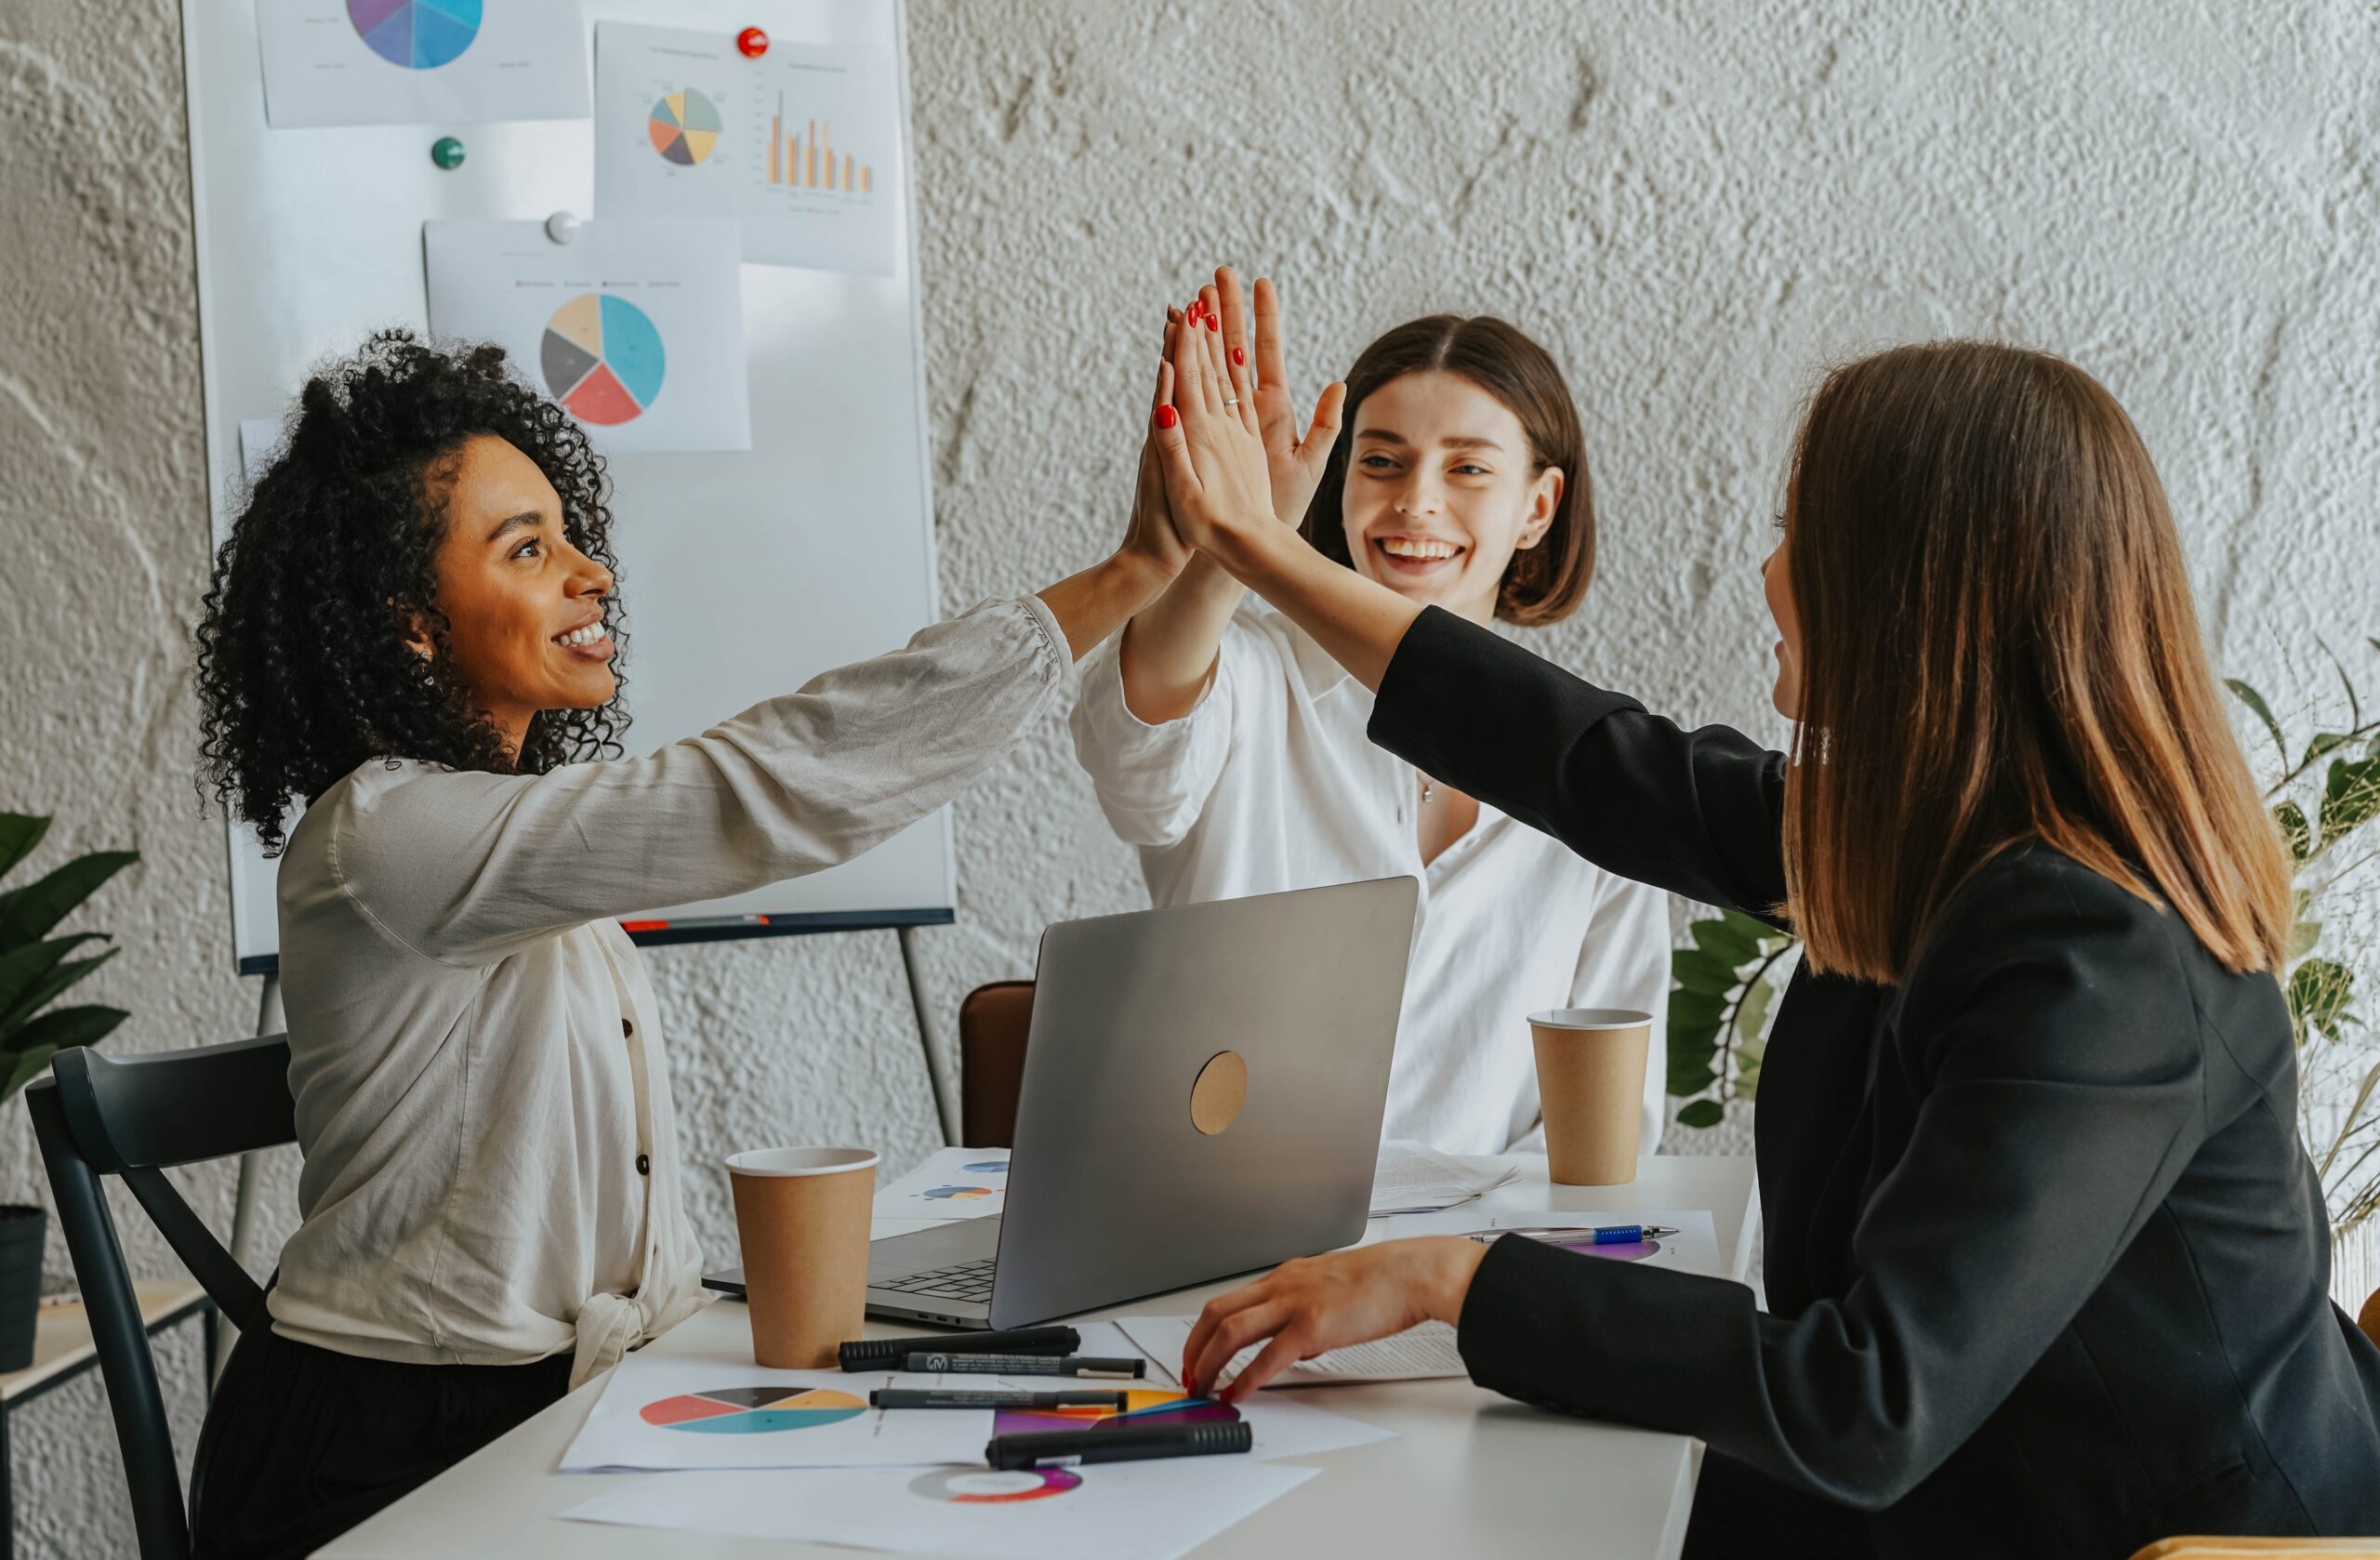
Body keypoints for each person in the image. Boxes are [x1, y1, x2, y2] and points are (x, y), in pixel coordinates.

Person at [1145, 316, 2380, 1556]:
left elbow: (1866, 1399)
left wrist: (1450, 1279)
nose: (1771, 572)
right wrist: (1257, 550)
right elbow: (1586, 758)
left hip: (2137, 1533)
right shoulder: (1933, 835)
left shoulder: (2102, 952)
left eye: (1802, 532)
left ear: (1913, 592)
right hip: (1979, 1476)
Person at [184, 330, 1191, 1559]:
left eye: (570, 532)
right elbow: (752, 790)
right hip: (387, 1452)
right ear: (409, 626)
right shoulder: (391, 835)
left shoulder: (501, 842)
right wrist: (1133, 569)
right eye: (529, 549)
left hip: (559, 1402)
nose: (592, 573)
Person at [1072, 268, 1670, 1155]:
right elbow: (1135, 755)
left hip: (1472, 1271)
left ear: (1537, 508)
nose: (1416, 500)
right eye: (1380, 460)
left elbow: (1608, 1124)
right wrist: (1237, 539)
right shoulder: (1245, 677)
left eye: (1468, 467)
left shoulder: (1598, 765)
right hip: (1225, 1254)